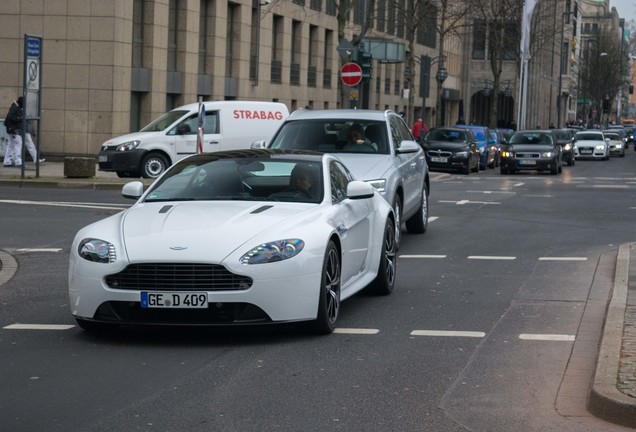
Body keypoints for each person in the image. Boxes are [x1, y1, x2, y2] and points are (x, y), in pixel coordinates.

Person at [3, 97, 24, 167]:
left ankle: (7, 161)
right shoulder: (15, 108)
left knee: (11, 145)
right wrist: (20, 118)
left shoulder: (15, 107)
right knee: (18, 144)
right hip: (14, 129)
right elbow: (11, 116)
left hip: (11, 129)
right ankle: (18, 161)